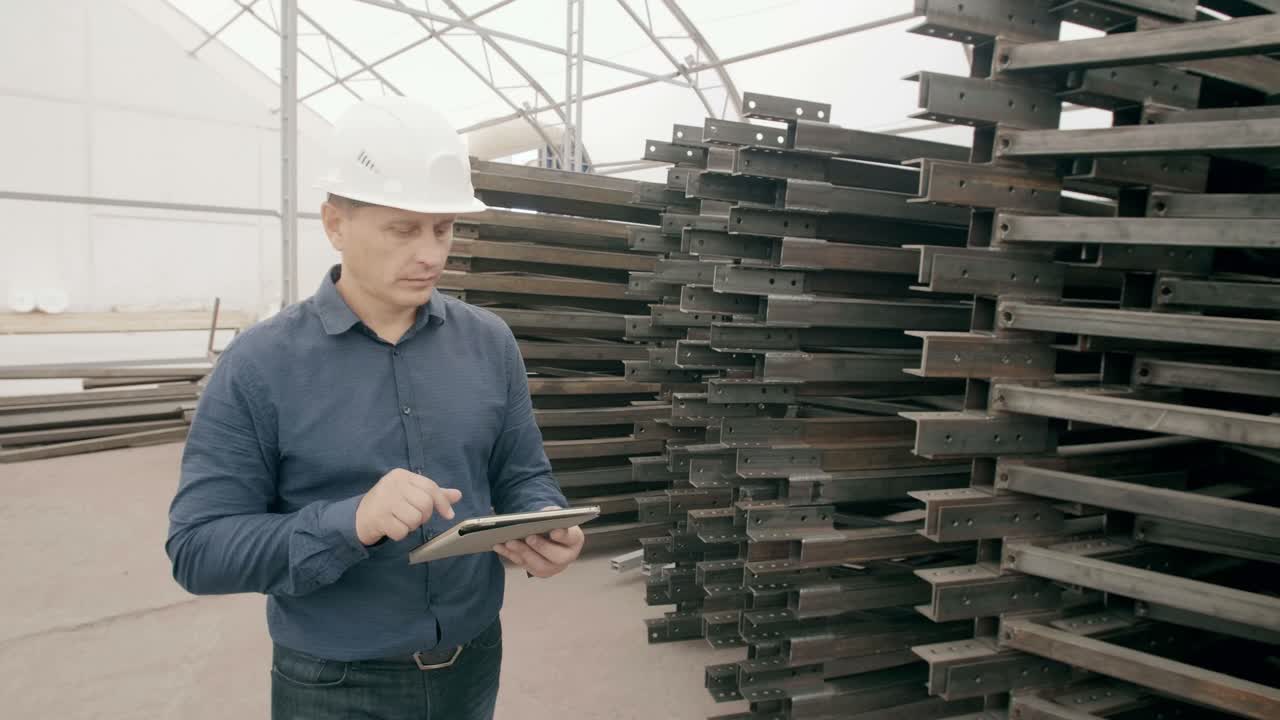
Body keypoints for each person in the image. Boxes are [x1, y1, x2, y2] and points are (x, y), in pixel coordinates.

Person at [165, 97, 584, 720]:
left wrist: (544, 522)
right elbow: (199, 550)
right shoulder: (260, 364)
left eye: (443, 228)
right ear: (335, 224)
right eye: (403, 229)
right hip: (333, 683)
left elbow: (522, 474)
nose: (431, 254)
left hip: (473, 661)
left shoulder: (489, 343)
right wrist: (351, 521)